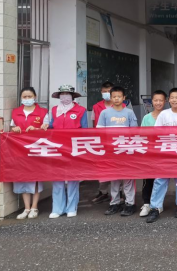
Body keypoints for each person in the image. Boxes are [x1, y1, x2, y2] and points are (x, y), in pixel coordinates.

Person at [146, 88, 177, 223]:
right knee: (160, 180)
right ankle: (155, 208)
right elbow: (156, 133)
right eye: (172, 97)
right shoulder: (164, 115)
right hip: (165, 153)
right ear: (169, 100)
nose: (174, 100)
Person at [46, 85, 87, 218]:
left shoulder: (81, 110)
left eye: (67, 94)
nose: (64, 96)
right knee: (57, 178)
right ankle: (57, 208)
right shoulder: (54, 110)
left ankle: (71, 207)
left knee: (72, 178)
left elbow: (85, 130)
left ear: (72, 96)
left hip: (73, 147)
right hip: (57, 147)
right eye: (62, 94)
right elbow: (52, 125)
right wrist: (45, 126)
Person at [97, 86, 139, 216]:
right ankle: (114, 203)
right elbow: (100, 132)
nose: (116, 99)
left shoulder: (129, 113)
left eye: (119, 96)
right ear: (110, 98)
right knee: (114, 178)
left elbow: (134, 132)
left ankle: (130, 203)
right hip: (111, 151)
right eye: (114, 96)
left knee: (128, 178)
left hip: (126, 151)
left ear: (124, 98)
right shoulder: (104, 113)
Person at [9, 87, 49, 219]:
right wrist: (14, 129)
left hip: (36, 149)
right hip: (20, 150)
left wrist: (37, 129)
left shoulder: (43, 112)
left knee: (35, 177)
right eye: (24, 97)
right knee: (22, 177)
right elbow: (12, 127)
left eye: (29, 96)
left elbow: (47, 129)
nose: (27, 99)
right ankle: (26, 208)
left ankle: (34, 207)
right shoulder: (16, 112)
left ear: (35, 97)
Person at [91, 81, 126, 204]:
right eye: (104, 91)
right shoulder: (96, 107)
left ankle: (119, 193)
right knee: (103, 168)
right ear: (101, 92)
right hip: (102, 142)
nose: (106, 93)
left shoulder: (123, 107)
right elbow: (94, 124)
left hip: (117, 142)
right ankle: (103, 192)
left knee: (118, 167)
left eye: (108, 91)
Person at [139, 90, 167, 217]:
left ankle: (158, 205)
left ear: (165, 101)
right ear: (152, 101)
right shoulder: (147, 118)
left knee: (161, 180)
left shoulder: (168, 116)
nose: (158, 103)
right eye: (156, 100)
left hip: (165, 153)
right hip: (150, 153)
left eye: (161, 100)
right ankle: (146, 203)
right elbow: (142, 135)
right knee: (148, 178)